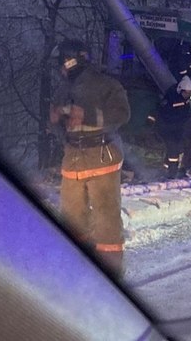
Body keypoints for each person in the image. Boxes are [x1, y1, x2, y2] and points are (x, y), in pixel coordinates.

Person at [49, 38, 130, 277]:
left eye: (61, 62)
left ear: (71, 59)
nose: (60, 68)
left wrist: (88, 116)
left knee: (106, 220)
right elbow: (58, 124)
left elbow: (122, 114)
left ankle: (110, 274)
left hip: (101, 157)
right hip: (73, 159)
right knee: (72, 218)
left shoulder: (106, 85)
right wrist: (56, 120)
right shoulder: (63, 89)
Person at [149, 75, 191, 179]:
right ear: (180, 90)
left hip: (177, 130)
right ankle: (172, 173)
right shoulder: (170, 99)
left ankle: (167, 170)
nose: (187, 95)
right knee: (173, 150)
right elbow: (160, 112)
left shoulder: (185, 101)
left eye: (189, 93)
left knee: (178, 149)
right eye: (186, 93)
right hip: (167, 129)